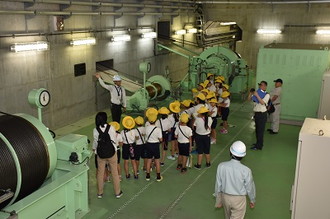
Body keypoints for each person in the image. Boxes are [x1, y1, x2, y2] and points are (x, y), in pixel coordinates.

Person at [214, 141, 256, 219]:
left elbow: (218, 184)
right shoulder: (246, 170)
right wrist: (252, 199)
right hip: (239, 200)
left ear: (230, 152)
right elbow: (250, 187)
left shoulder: (221, 166)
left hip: (225, 197)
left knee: (227, 216)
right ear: (243, 155)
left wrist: (218, 199)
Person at [93, 112, 122, 199]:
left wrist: (94, 149)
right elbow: (114, 139)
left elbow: (95, 142)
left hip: (100, 154)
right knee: (114, 173)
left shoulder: (95, 130)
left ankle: (100, 193)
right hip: (111, 153)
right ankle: (117, 192)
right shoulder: (111, 128)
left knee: (100, 173)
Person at [248, 81, 270, 150]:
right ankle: (258, 143)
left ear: (265, 86)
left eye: (262, 85)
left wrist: (257, 95)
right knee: (257, 130)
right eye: (259, 85)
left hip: (262, 114)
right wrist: (250, 93)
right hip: (257, 114)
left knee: (260, 131)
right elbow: (249, 99)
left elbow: (262, 102)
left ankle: (259, 146)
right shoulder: (257, 93)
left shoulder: (267, 95)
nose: (260, 86)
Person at [145, 108, 163, 182]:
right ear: (156, 120)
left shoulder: (146, 128)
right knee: (157, 160)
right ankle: (158, 176)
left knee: (149, 160)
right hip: (155, 145)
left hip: (148, 144)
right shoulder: (158, 129)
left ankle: (148, 175)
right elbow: (161, 139)